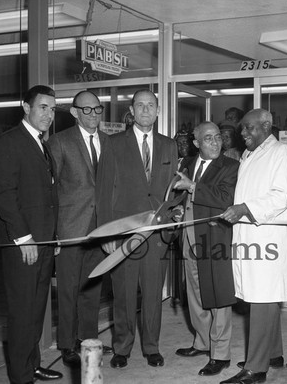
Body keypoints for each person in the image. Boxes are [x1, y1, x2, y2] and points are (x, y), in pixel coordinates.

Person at [96, 89, 177, 369]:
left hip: (156, 234)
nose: (145, 110)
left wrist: (170, 223)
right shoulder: (113, 144)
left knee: (153, 293)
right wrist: (107, 233)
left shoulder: (169, 146)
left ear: (158, 110)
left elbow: (170, 193)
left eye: (150, 105)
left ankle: (151, 347)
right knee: (124, 293)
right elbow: (104, 191)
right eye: (140, 105)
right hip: (124, 232)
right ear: (132, 110)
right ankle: (122, 347)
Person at [219, 109, 287, 384]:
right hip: (249, 235)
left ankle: (256, 369)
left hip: (267, 238)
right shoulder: (249, 155)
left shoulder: (282, 154)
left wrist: (245, 208)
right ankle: (273, 354)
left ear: (266, 126)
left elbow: (282, 196)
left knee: (263, 298)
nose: (242, 134)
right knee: (259, 296)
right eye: (242, 129)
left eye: (248, 128)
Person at [0, 85, 62, 384]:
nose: (49, 114)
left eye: (52, 109)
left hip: (43, 242)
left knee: (35, 310)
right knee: (22, 312)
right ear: (26, 106)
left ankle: (31, 364)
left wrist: (53, 237)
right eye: (43, 107)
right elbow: (5, 196)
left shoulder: (41, 143)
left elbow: (47, 196)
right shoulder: (11, 142)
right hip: (23, 244)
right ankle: (21, 377)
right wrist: (25, 239)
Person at [47, 91, 112, 368]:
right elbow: (50, 190)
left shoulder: (109, 142)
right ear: (74, 112)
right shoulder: (59, 142)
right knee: (68, 290)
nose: (94, 115)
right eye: (87, 110)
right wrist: (54, 234)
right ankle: (66, 344)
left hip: (101, 229)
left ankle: (88, 339)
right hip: (70, 228)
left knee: (92, 289)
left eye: (98, 110)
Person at [173, 122, 239, 376]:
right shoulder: (187, 164)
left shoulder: (231, 167)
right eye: (208, 138)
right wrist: (179, 208)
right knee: (195, 294)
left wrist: (192, 187)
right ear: (196, 143)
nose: (215, 143)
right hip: (189, 237)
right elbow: (181, 196)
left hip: (216, 238)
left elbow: (225, 198)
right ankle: (202, 342)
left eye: (218, 138)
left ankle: (220, 354)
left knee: (218, 296)